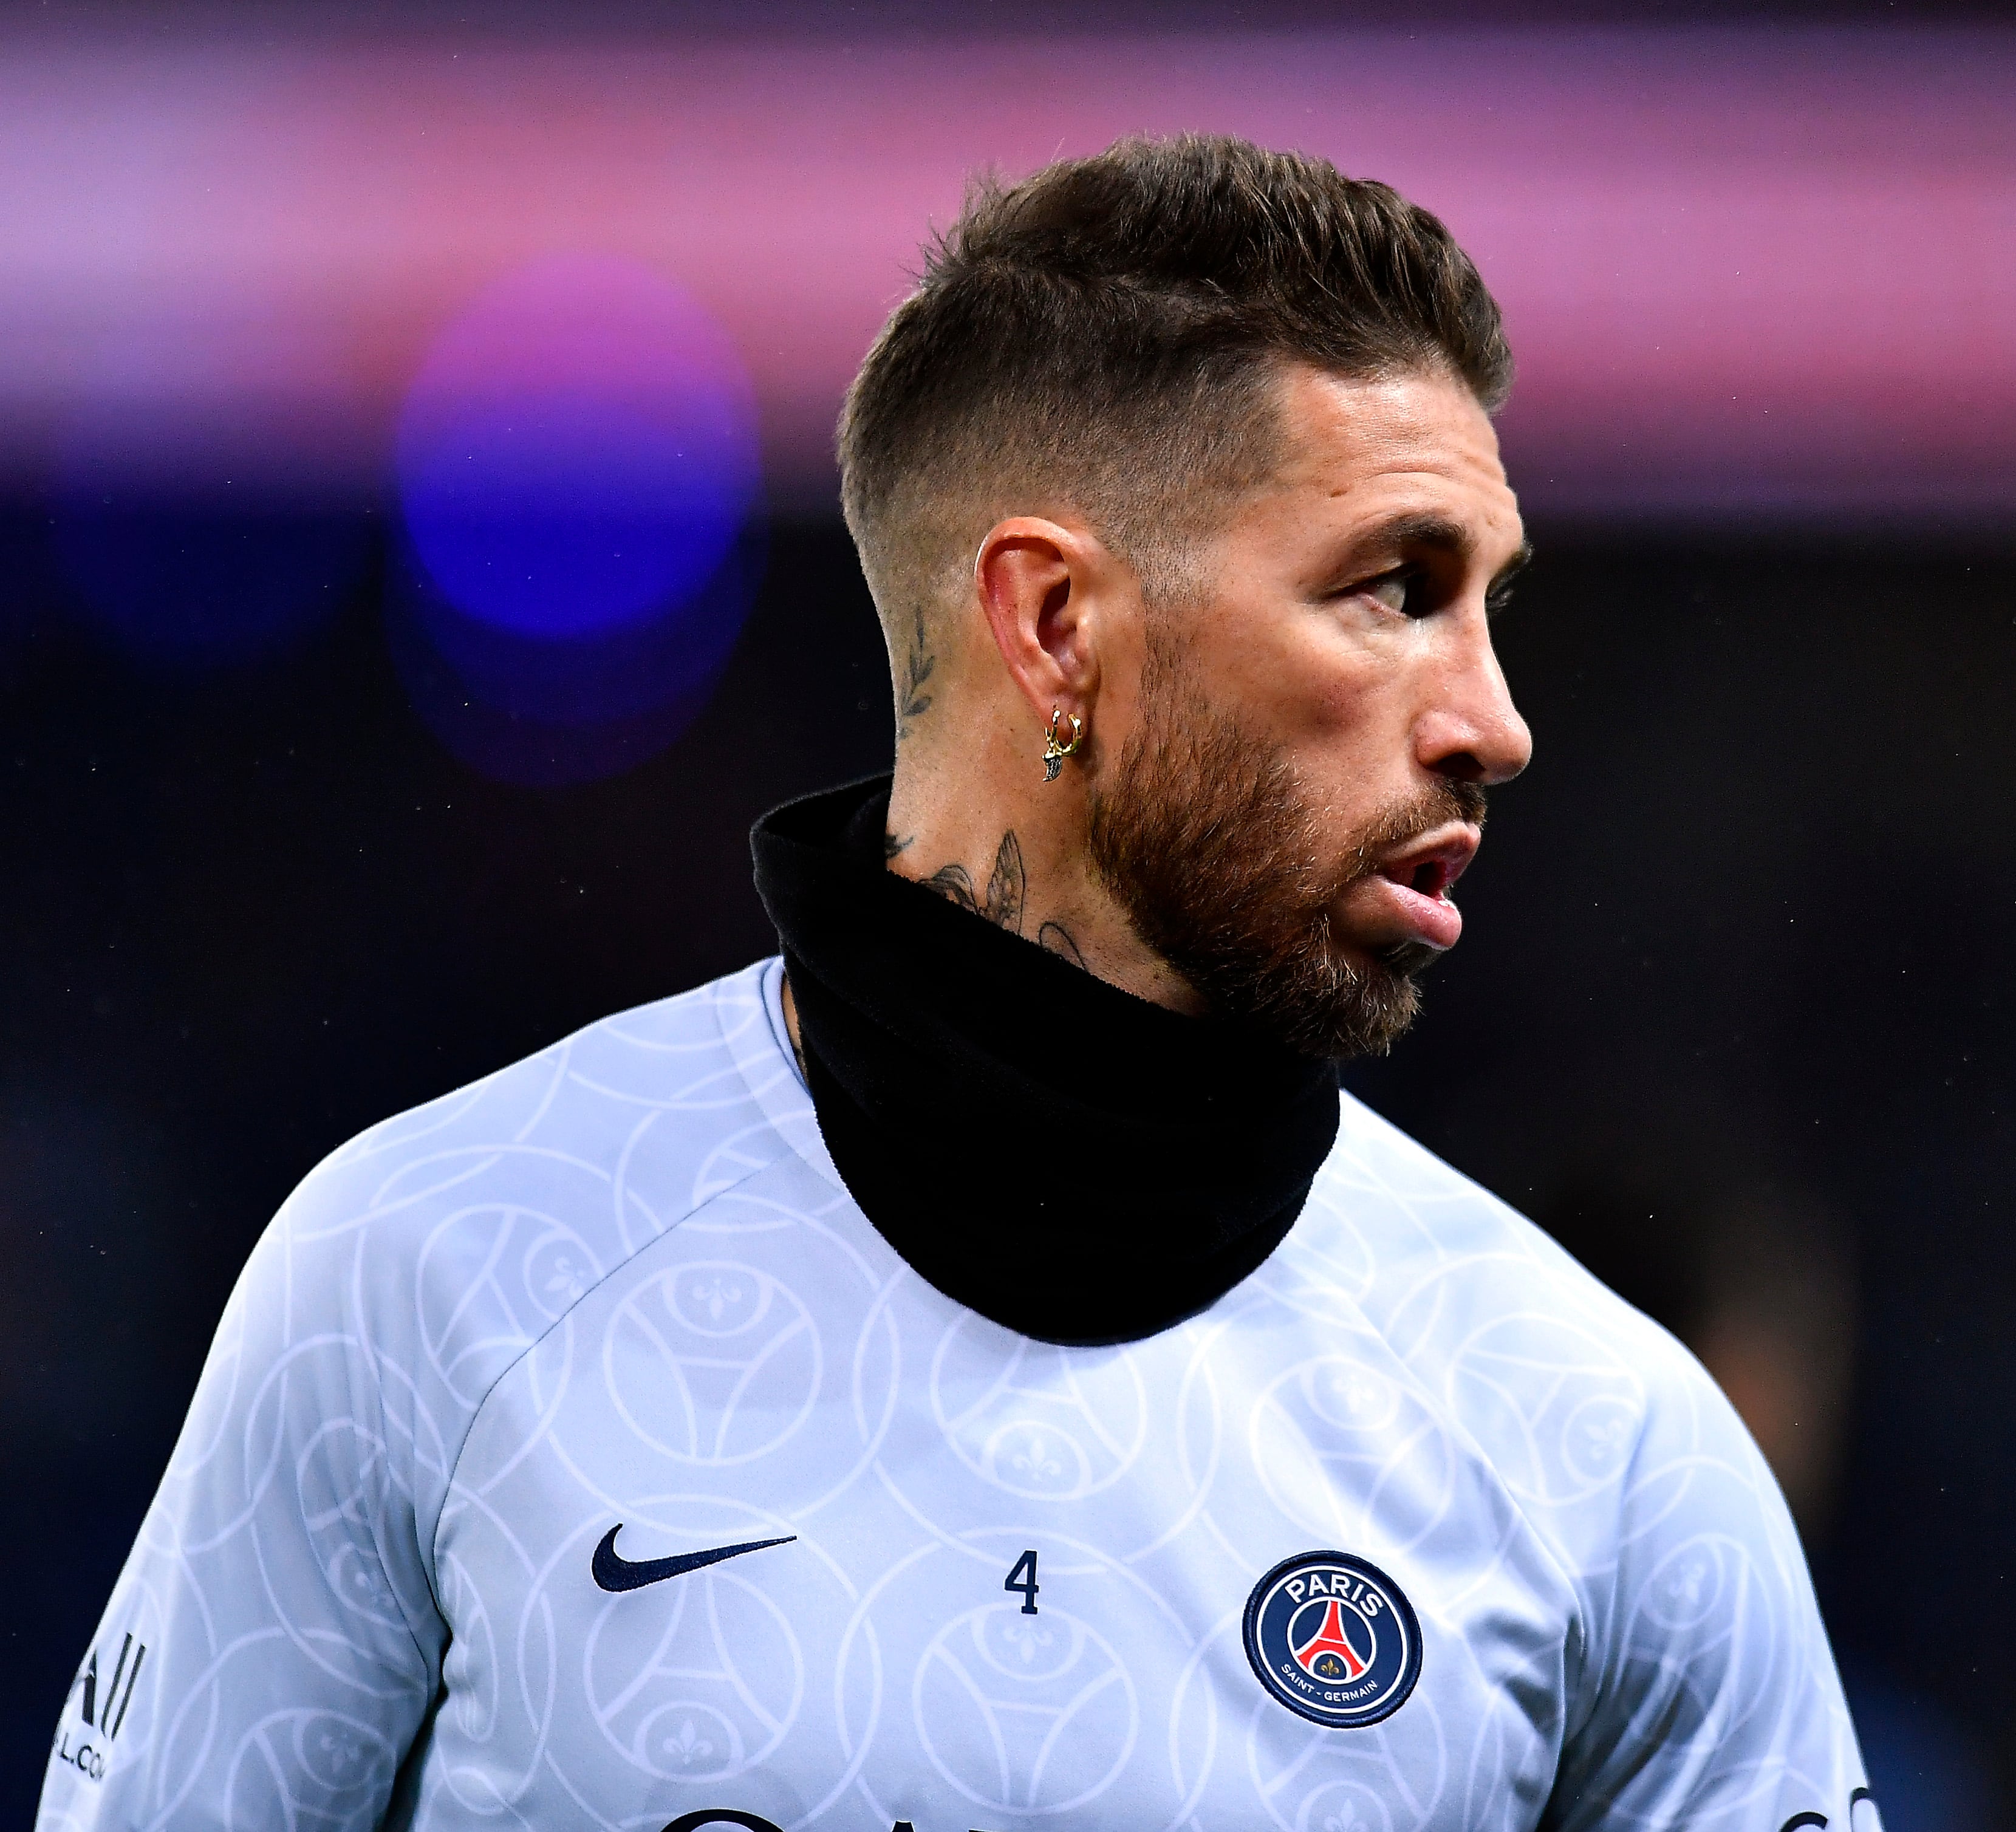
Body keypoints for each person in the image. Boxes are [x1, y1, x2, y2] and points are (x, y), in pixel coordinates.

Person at [42, 135, 1875, 1832]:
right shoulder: (431, 1273)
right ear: (1056, 625)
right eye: (1393, 588)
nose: (1494, 718)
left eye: (1490, 601)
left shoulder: (1597, 1438)